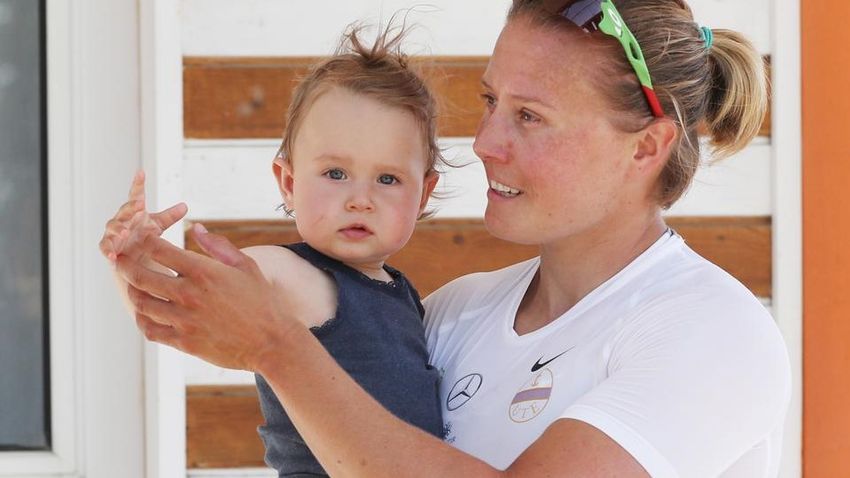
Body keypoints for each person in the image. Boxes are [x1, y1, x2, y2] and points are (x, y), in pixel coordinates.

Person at [109, 0, 792, 476]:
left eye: (530, 116)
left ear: (645, 148)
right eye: (492, 101)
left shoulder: (712, 331)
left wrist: (276, 348)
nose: (485, 142)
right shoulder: (454, 313)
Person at [100, 24, 447, 477]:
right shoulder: (284, 271)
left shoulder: (404, 295)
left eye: (388, 179)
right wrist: (130, 262)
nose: (360, 199)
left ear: (422, 195)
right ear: (289, 182)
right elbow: (175, 306)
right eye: (336, 174)